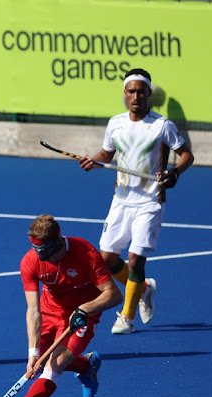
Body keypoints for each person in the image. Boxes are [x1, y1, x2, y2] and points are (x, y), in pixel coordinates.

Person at [79, 68, 194, 334]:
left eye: (141, 92)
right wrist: (92, 161)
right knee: (106, 259)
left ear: (148, 95)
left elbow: (186, 154)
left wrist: (175, 172)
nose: (136, 97)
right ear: (125, 94)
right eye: (131, 91)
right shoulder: (115, 123)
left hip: (150, 201)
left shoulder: (162, 126)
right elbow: (106, 154)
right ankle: (144, 289)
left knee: (134, 260)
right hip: (121, 201)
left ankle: (126, 318)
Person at [6, 215, 123, 397]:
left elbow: (115, 295)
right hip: (49, 312)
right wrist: (32, 353)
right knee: (39, 362)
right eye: (39, 253)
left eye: (47, 253)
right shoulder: (31, 261)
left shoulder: (85, 253)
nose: (44, 259)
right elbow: (33, 310)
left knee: (54, 365)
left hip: (82, 316)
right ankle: (86, 365)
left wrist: (85, 309)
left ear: (59, 240)